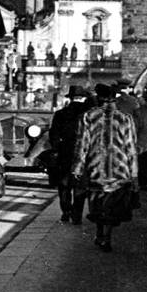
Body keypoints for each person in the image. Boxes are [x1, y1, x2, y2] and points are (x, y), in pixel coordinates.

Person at [72, 83, 138, 252]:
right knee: (112, 206)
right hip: (119, 169)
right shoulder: (125, 118)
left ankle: (100, 233)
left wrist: (77, 168)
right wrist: (134, 173)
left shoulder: (87, 117)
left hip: (96, 168)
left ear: (97, 98)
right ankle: (106, 237)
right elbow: (131, 147)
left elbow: (82, 146)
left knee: (98, 204)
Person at [48, 85, 92, 224]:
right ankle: (77, 214)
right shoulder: (88, 114)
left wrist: (56, 149)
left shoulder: (60, 114)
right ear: (83, 98)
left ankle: (66, 211)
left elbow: (53, 134)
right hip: (83, 154)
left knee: (64, 184)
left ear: (71, 98)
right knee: (80, 185)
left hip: (65, 153)